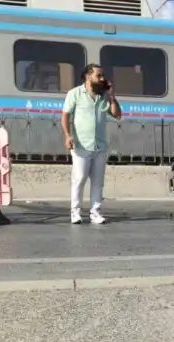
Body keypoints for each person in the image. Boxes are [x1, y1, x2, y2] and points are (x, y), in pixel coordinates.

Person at [61, 63, 122, 224]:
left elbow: (117, 115)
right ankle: (75, 212)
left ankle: (95, 213)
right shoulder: (75, 93)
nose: (102, 79)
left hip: (100, 146)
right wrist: (68, 136)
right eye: (99, 76)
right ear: (88, 77)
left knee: (98, 182)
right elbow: (65, 115)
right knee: (79, 178)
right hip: (81, 145)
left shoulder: (103, 97)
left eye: (103, 76)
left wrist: (112, 95)